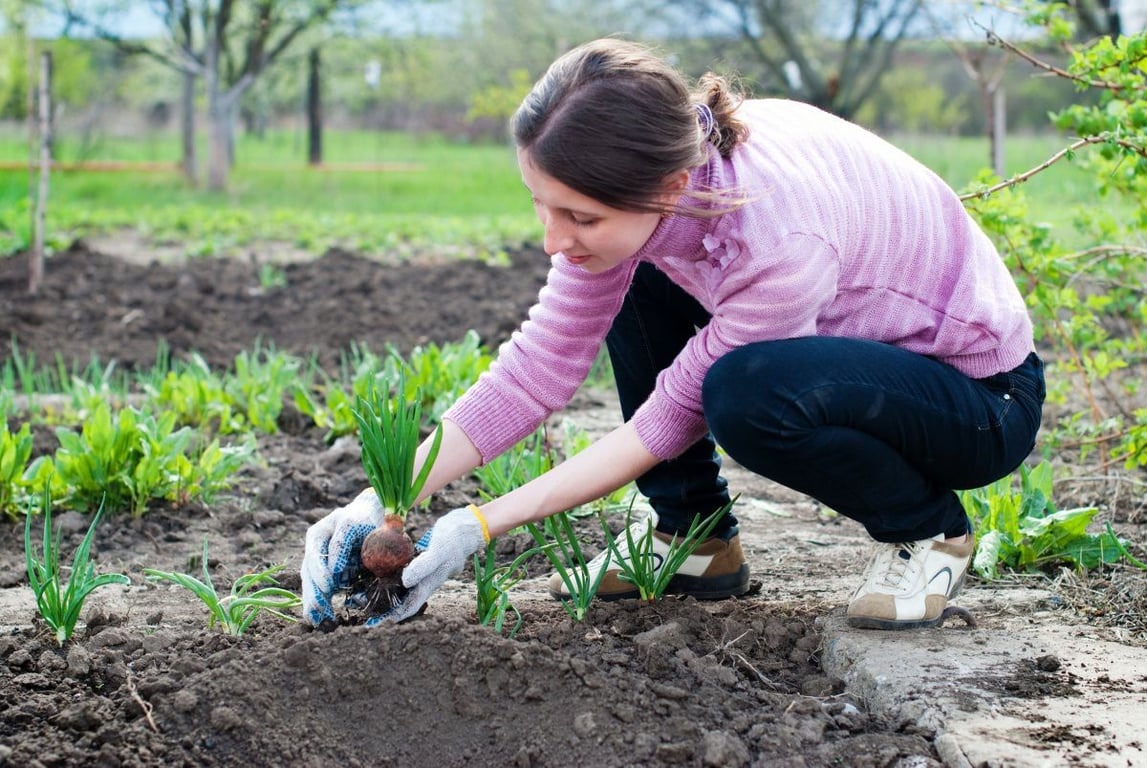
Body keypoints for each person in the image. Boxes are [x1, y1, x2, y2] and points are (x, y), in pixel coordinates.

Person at [301, 37, 1044, 632]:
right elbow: (537, 369)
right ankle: (696, 540)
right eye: (541, 205)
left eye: (579, 216)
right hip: (856, 361)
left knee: (746, 394)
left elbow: (665, 420)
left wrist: (477, 524)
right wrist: (384, 499)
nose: (553, 239)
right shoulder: (662, 177)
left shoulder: (776, 241)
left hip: (975, 400)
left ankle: (927, 530)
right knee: (635, 269)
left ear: (667, 189)